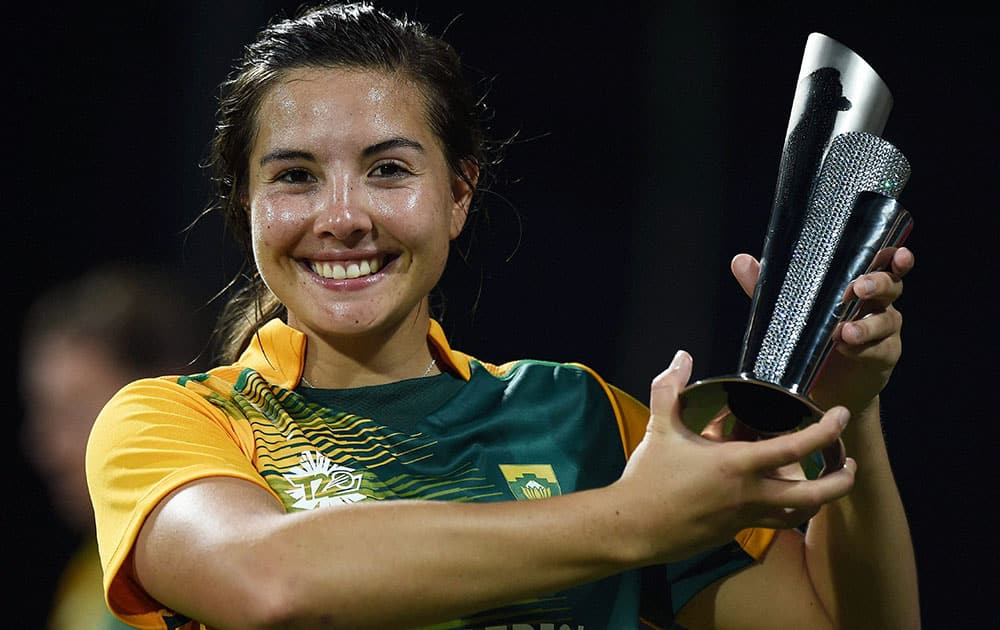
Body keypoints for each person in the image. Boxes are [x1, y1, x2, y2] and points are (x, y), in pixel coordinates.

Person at [85, 3, 921, 629]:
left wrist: (851, 408)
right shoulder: (175, 421)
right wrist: (634, 521)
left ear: (458, 195)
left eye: (387, 170)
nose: (341, 216)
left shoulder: (593, 426)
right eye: (295, 176)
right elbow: (266, 583)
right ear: (248, 206)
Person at [20, 262, 211, 630]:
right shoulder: (87, 576)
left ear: (163, 394)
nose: (49, 449)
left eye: (76, 412)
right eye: (42, 411)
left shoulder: (207, 566)